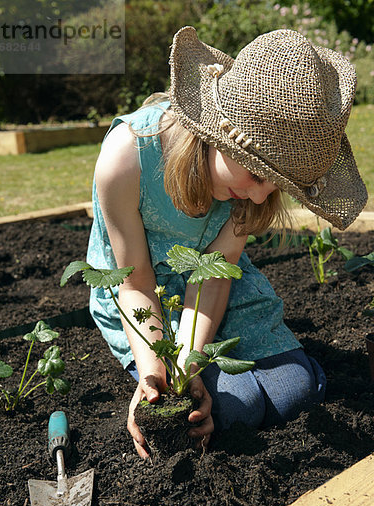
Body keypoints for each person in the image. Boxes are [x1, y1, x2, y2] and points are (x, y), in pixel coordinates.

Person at [87, 27, 367, 458]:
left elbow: (214, 277)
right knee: (225, 408)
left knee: (295, 391)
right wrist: (158, 376)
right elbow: (135, 283)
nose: (260, 197)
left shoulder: (251, 193)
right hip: (146, 296)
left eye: (277, 186)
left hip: (215, 288)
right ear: (217, 132)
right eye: (256, 175)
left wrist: (193, 358)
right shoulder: (128, 159)